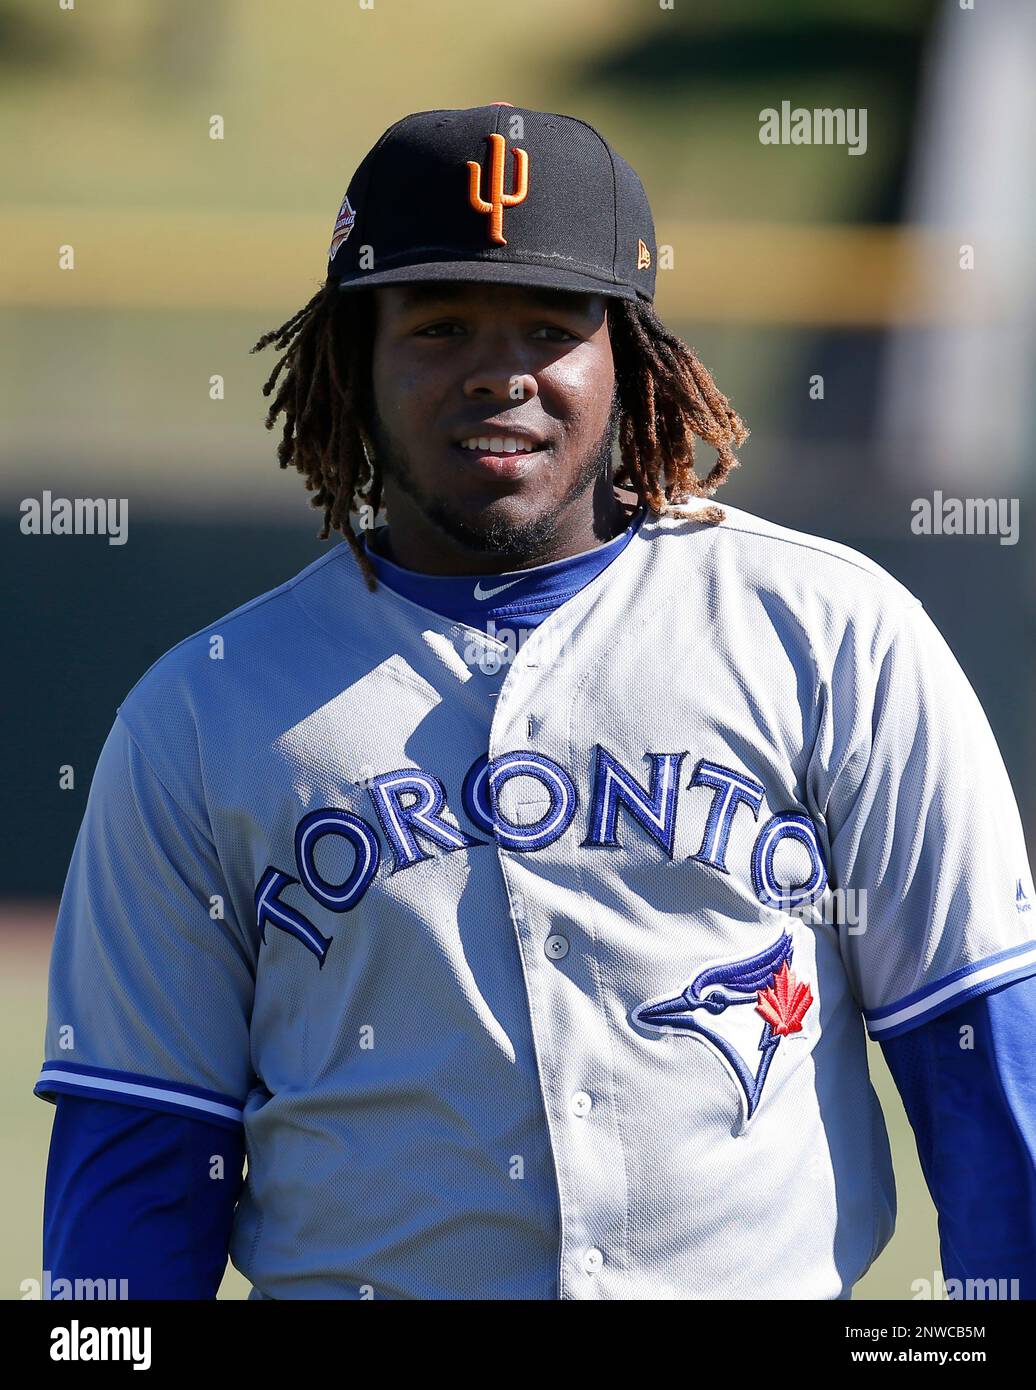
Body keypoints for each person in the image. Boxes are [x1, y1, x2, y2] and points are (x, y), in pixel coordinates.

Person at [36, 103, 1036, 1300]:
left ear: (630, 357)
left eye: (552, 326)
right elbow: (143, 1151)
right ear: (354, 357)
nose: (498, 370)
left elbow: (979, 1058)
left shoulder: (828, 632)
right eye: (440, 323)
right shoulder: (198, 713)